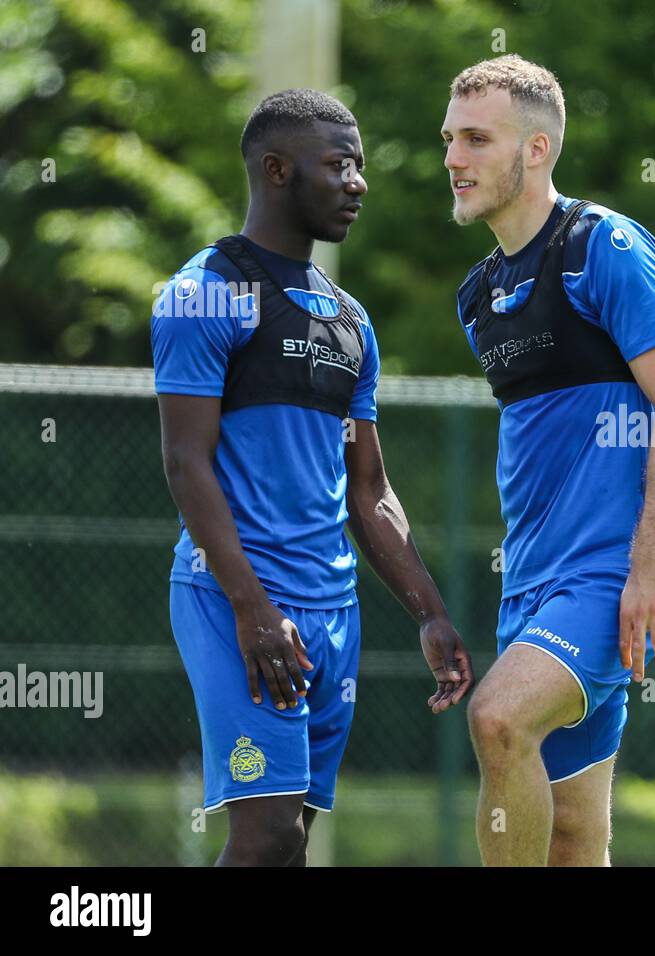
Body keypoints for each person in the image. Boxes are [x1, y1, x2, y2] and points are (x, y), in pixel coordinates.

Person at [152, 88, 472, 866]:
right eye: (338, 165)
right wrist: (252, 608)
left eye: (359, 166)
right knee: (263, 836)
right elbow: (184, 461)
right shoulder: (205, 291)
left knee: (294, 841)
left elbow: (370, 490)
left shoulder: (350, 319)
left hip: (333, 613)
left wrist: (429, 612)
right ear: (276, 170)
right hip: (239, 602)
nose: (358, 182)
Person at [442, 56, 655, 866]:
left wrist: (650, 564)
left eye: (477, 139)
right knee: (572, 834)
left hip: (612, 577)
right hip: (531, 583)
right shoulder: (475, 295)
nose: (453, 158)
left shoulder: (607, 248)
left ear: (537, 150)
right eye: (449, 138)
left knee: (498, 719)